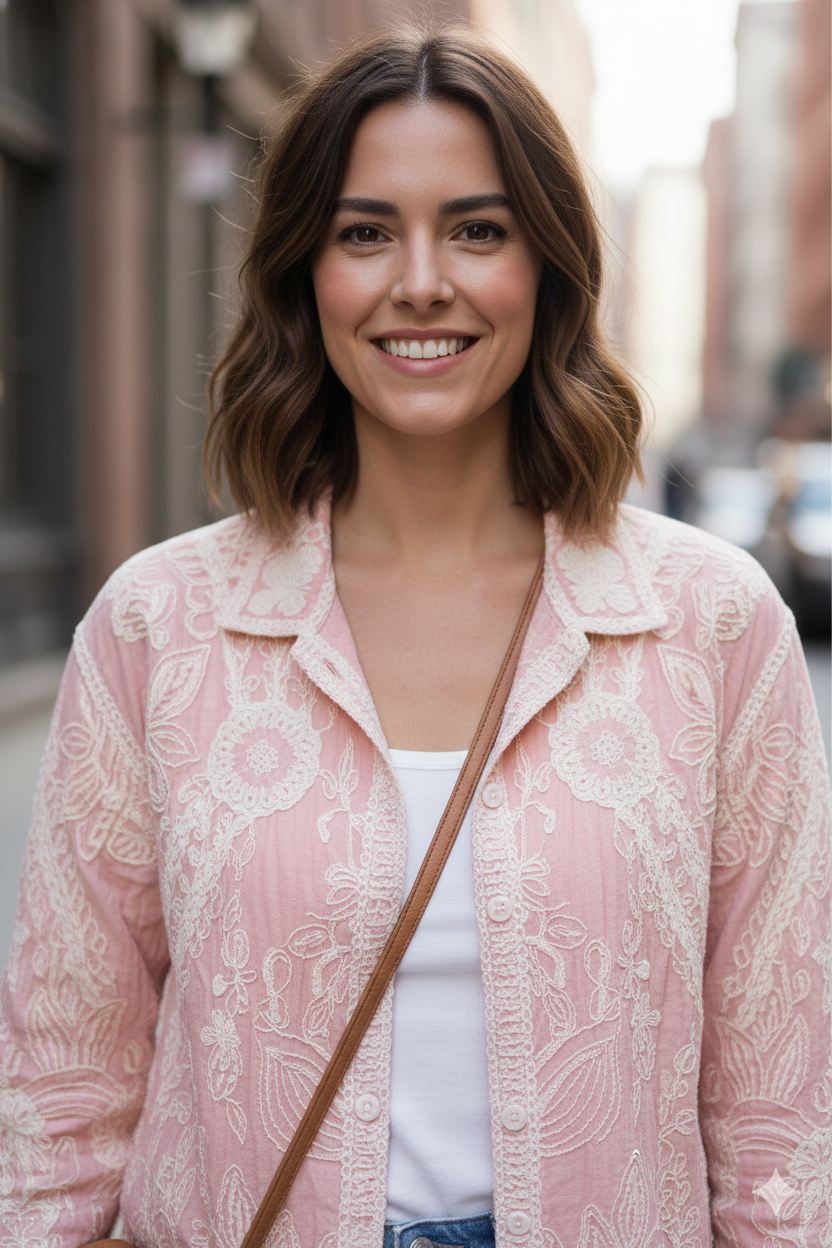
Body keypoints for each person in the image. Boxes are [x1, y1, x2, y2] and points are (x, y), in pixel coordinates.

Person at [1, 24, 830, 1248]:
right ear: (305, 274)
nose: (421, 280)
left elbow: (776, 1111)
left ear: (547, 269)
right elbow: (63, 1086)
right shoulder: (157, 628)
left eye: (479, 230)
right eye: (365, 231)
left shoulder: (711, 628)